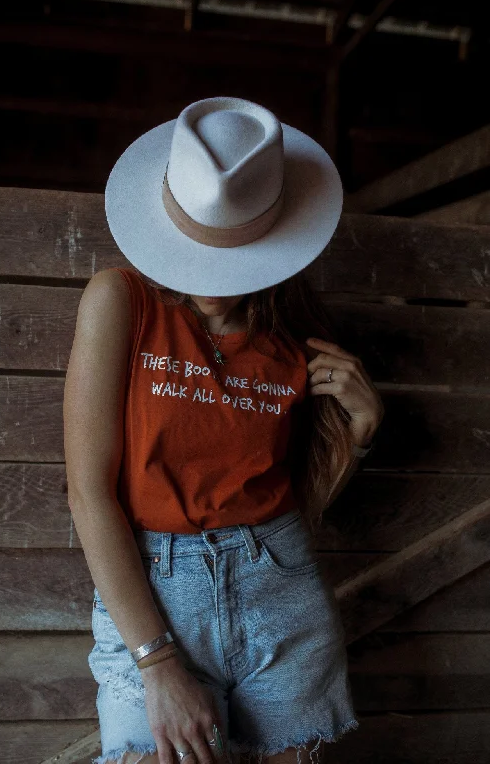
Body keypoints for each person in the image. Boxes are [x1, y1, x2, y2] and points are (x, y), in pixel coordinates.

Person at [63, 97, 384, 764]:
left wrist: (360, 428)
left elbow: (302, 498)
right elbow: (88, 493)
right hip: (153, 587)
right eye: (197, 246)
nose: (211, 279)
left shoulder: (294, 332)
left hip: (279, 584)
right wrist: (155, 664)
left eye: (236, 251)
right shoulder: (121, 300)